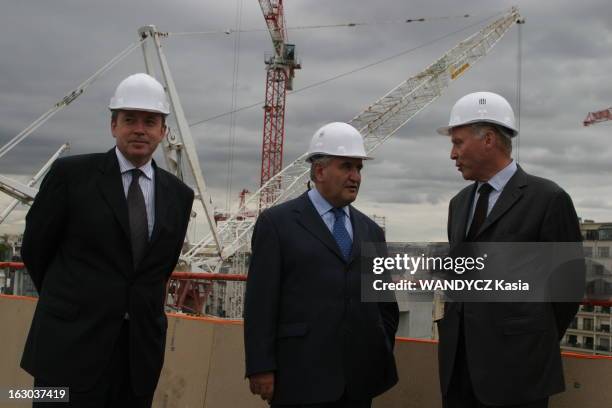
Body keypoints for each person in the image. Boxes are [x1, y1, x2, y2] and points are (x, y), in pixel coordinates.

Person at [20, 73, 194, 407]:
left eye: (150, 121)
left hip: (137, 358)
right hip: (68, 349)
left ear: (163, 131)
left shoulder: (179, 196)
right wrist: (72, 303)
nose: (139, 129)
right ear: (113, 126)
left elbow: (158, 269)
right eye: (129, 120)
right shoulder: (70, 176)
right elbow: (35, 249)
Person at [436, 91, 583, 408]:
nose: (452, 154)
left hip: (519, 373)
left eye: (458, 142)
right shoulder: (459, 204)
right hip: (458, 372)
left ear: (488, 139)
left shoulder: (548, 199)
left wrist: (528, 340)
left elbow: (567, 288)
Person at [244, 122, 399, 407]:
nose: (355, 177)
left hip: (358, 383)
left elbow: (385, 305)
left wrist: (380, 350)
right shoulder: (277, 224)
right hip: (299, 379)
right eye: (347, 167)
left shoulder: (371, 231)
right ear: (319, 171)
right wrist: (260, 366)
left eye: (359, 168)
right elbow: (260, 303)